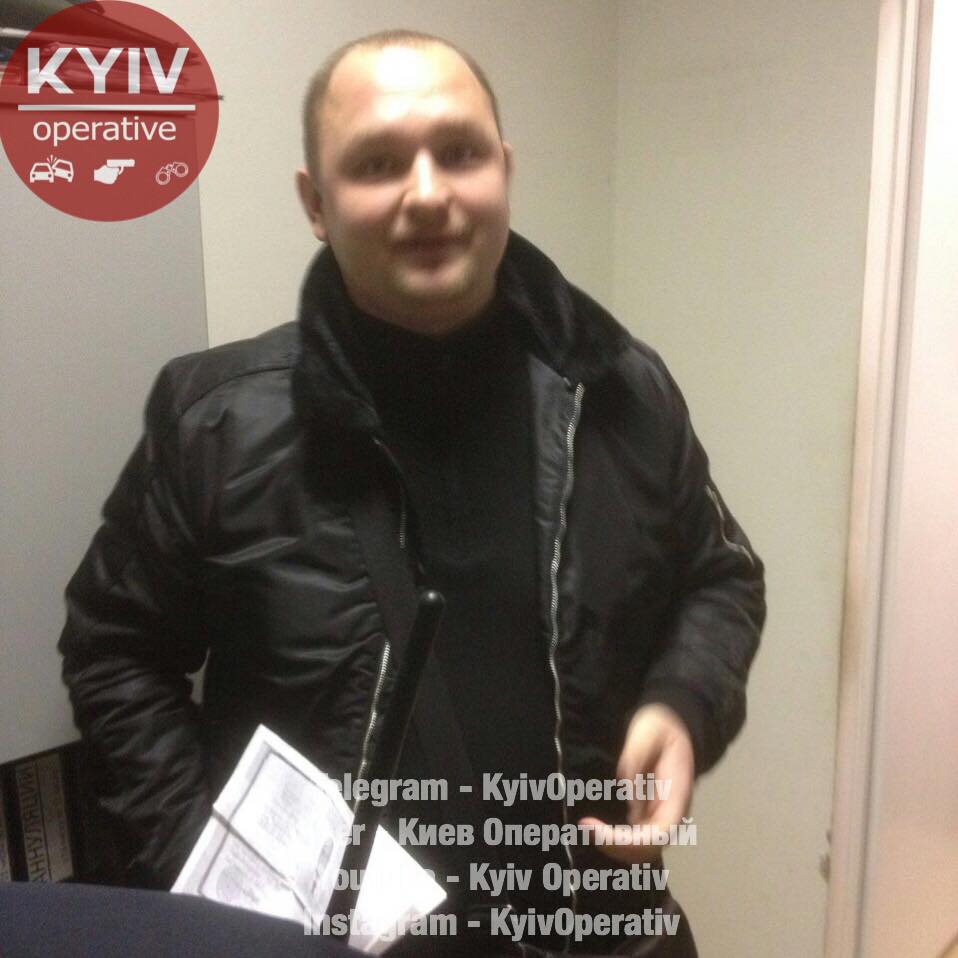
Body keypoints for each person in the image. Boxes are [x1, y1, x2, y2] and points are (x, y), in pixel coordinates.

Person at [59, 29, 765, 957]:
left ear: (504, 171)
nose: (427, 193)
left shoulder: (621, 389)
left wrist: (680, 704)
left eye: (460, 153)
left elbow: (719, 577)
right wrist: (209, 876)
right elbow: (114, 653)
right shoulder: (214, 424)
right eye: (378, 163)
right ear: (316, 203)